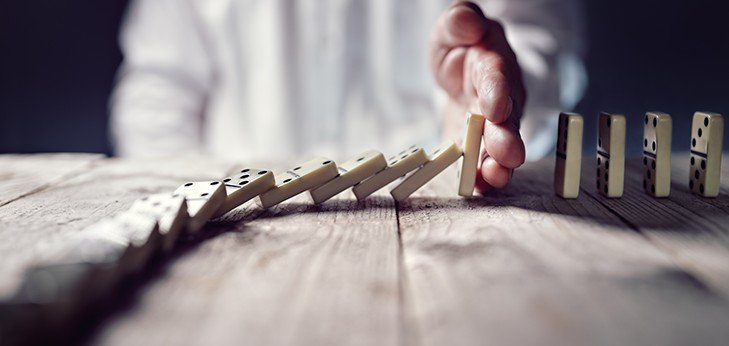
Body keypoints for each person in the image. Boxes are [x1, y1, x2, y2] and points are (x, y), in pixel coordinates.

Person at [110, 0, 585, 192]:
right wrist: (193, 209)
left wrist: (501, 96)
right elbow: (156, 93)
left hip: (435, 213)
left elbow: (536, 39)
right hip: (229, 220)